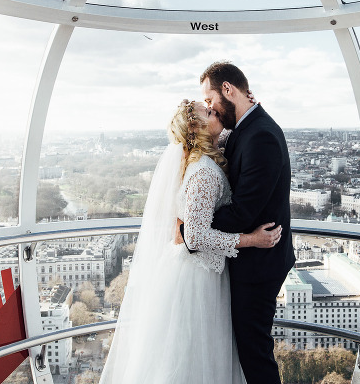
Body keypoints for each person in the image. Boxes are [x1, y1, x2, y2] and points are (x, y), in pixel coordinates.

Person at [99, 99, 282, 384]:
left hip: (197, 273)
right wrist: (252, 239)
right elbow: (195, 237)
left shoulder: (200, 162)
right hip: (197, 279)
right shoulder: (205, 172)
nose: (215, 111)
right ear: (198, 127)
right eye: (209, 112)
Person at [200, 61, 296, 384]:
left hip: (259, 266)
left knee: (255, 357)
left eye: (210, 100)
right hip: (254, 260)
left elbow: (242, 213)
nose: (209, 108)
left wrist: (194, 226)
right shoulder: (246, 129)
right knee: (250, 353)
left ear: (228, 90)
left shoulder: (261, 137)